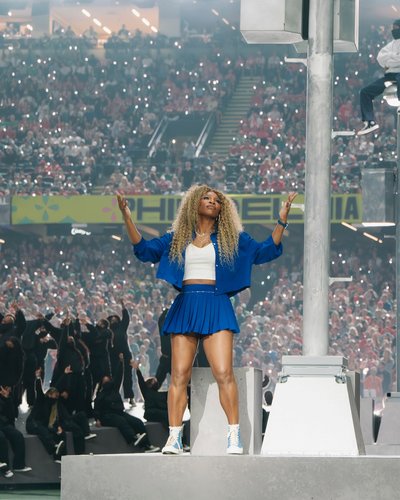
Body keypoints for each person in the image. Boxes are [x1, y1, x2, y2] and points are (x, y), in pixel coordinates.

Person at [117, 185, 296, 455]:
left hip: (216, 304)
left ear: (222, 208)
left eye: (217, 200)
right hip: (187, 304)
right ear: (195, 203)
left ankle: (233, 434)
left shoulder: (233, 238)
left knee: (224, 372)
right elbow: (144, 250)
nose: (212, 202)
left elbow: (265, 251)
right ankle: (174, 437)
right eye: (206, 198)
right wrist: (127, 217)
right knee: (179, 375)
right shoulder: (177, 237)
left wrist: (282, 220)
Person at [358, 19, 400, 136]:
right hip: (389, 75)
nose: (394, 30)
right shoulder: (390, 45)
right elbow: (380, 59)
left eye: (396, 28)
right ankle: (369, 122)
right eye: (393, 28)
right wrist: (394, 58)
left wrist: (389, 60)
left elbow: (388, 61)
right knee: (365, 92)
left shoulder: (389, 48)